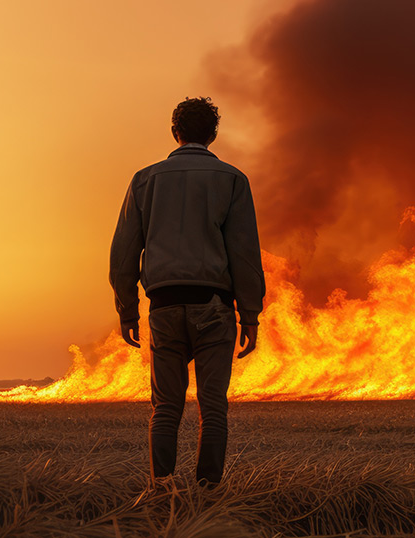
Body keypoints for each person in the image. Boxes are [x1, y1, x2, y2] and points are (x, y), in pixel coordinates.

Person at [109, 97, 265, 487]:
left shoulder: (146, 179)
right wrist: (249, 314)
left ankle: (161, 491)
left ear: (174, 132)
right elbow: (244, 255)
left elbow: (124, 253)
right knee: (213, 408)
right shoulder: (232, 180)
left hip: (163, 305)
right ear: (213, 134)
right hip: (213, 305)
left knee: (165, 408)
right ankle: (208, 493)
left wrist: (127, 310)